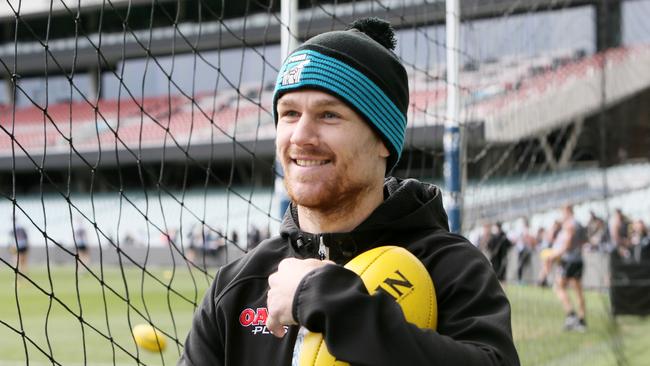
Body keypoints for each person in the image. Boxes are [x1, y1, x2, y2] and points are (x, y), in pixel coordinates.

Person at [179, 18, 519, 365]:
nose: (300, 136)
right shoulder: (238, 285)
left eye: (328, 115)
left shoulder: (450, 267)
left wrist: (326, 300)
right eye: (290, 113)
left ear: (382, 141)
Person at [546, 205, 586, 332]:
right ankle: (581, 321)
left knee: (558, 287)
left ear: (567, 211)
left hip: (569, 261)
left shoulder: (570, 225)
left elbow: (566, 245)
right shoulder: (578, 224)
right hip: (578, 259)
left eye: (562, 212)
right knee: (578, 290)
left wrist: (554, 255)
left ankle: (571, 315)